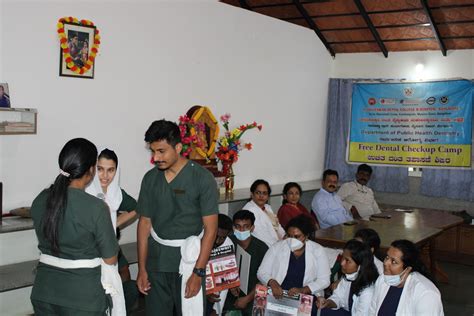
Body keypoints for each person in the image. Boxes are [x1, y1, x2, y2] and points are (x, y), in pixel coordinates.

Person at [30, 138, 122, 315]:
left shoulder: (40, 199)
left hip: (44, 291)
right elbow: (111, 258)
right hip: (82, 297)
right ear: (90, 170)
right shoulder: (96, 207)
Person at [136, 119, 219, 316]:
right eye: (153, 151)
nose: (156, 157)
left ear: (179, 147)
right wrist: (141, 268)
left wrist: (198, 272)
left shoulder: (201, 178)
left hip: (190, 262)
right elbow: (144, 224)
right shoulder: (150, 179)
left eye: (161, 151)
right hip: (157, 263)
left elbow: (211, 230)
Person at [85, 148, 139, 313]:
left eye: (110, 170)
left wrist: (112, 225)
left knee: (110, 293)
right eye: (100, 169)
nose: (105, 175)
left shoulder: (117, 193)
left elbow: (138, 208)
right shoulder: (85, 190)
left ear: (116, 170)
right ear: (93, 168)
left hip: (109, 249)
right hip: (88, 251)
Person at [257, 215, 331, 298]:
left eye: (297, 237)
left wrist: (303, 290)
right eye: (289, 236)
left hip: (306, 297)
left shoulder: (318, 250)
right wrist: (272, 283)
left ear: (306, 236)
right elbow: (262, 272)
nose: (292, 240)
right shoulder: (277, 247)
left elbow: (324, 280)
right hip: (278, 294)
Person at [369, 239, 443, 315]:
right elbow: (372, 312)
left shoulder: (426, 294)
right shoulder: (382, 280)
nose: (386, 263)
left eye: (394, 262)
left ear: (408, 269)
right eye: (387, 257)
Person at [223, 210, 268, 316]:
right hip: (229, 298)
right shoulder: (227, 243)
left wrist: (247, 299)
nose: (241, 230)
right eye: (238, 226)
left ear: (252, 228)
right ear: (233, 227)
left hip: (255, 297)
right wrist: (229, 284)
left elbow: (266, 279)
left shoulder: (262, 248)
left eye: (246, 226)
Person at [317, 239, 379, 316]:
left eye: (347, 261)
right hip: (348, 312)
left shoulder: (368, 292)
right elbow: (338, 297)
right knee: (321, 311)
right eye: (343, 258)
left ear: (360, 265)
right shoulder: (349, 276)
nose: (342, 263)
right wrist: (327, 302)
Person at [242, 179, 284, 247]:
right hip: (267, 248)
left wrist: (285, 237)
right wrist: (280, 245)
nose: (261, 196)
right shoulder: (250, 211)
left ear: (268, 197)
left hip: (279, 243)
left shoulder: (267, 207)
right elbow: (261, 237)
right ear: (252, 194)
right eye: (258, 193)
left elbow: (278, 227)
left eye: (264, 193)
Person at [206, 214, 234, 316]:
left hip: (212, 297)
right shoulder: (197, 239)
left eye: (222, 238)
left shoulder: (228, 245)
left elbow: (224, 284)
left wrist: (217, 310)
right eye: (216, 236)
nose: (218, 241)